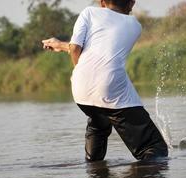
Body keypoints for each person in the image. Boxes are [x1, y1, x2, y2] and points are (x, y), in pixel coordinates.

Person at [42, 0, 168, 162]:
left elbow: (77, 48)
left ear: (102, 2)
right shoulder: (135, 25)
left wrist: (63, 48)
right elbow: (103, 47)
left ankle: (96, 174)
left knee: (99, 121)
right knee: (153, 148)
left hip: (80, 89)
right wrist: (65, 47)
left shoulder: (88, 12)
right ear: (132, 3)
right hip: (109, 88)